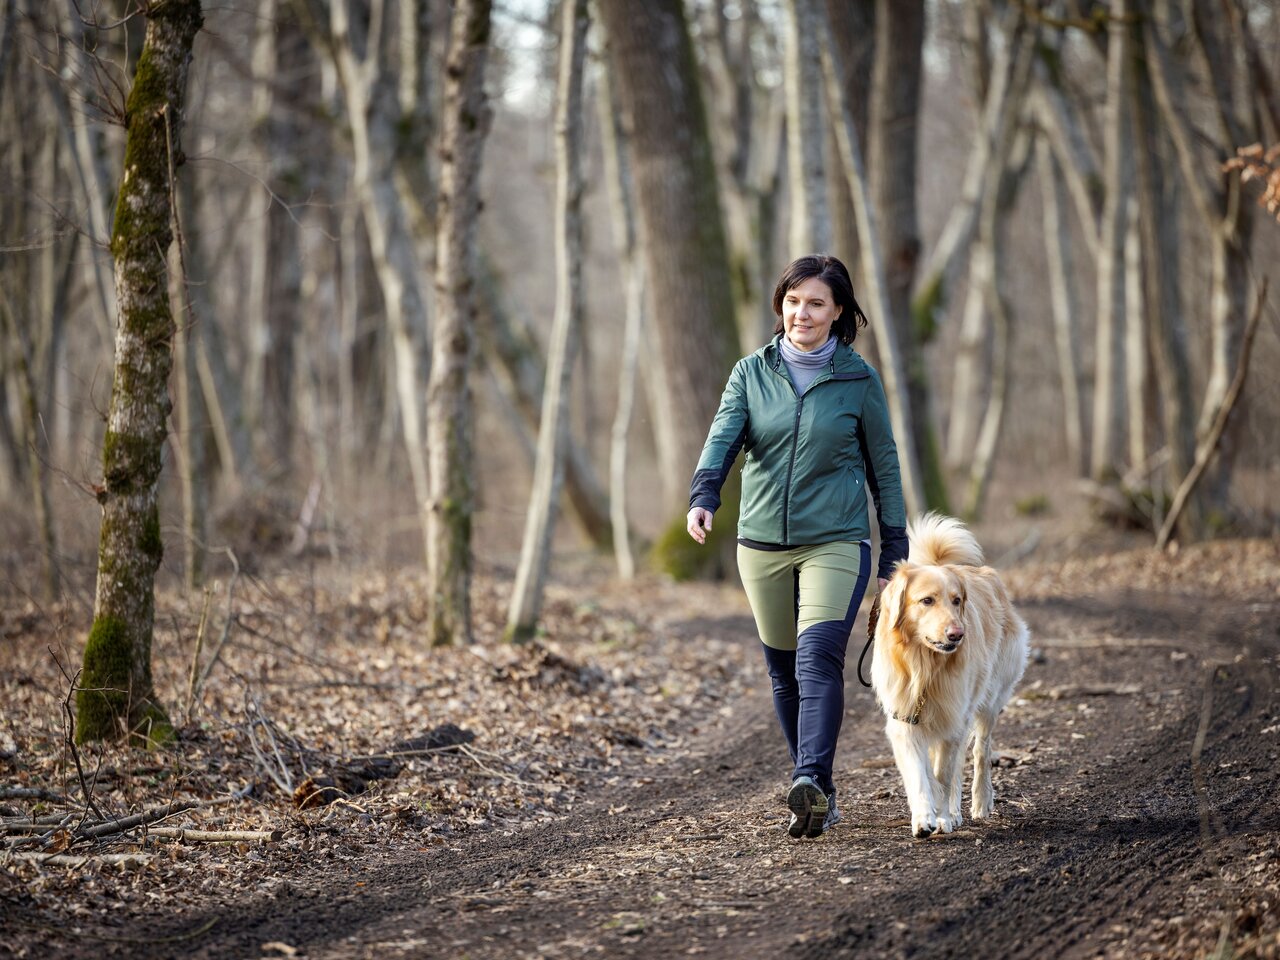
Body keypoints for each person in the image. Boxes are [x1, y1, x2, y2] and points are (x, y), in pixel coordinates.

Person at [686, 254, 908, 839]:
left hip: (836, 540)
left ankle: (808, 774)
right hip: (760, 543)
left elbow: (884, 467)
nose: (801, 313)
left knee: (817, 660)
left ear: (838, 312)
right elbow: (723, 439)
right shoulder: (749, 373)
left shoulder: (858, 380)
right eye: (792, 300)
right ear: (780, 304)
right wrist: (703, 495)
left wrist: (895, 549)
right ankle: (820, 793)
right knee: (782, 672)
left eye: (815, 303)